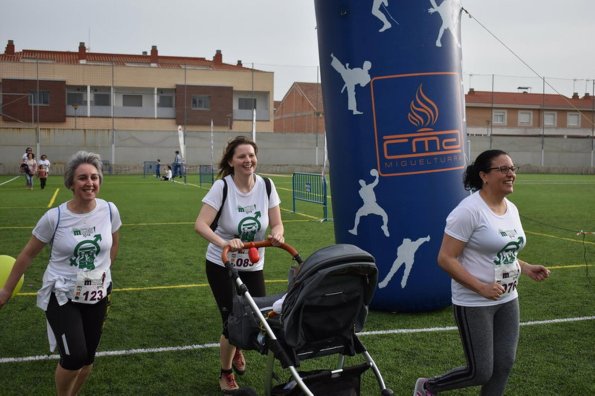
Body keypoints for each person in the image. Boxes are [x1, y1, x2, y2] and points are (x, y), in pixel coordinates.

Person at [413, 149, 550, 396]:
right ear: (484, 176)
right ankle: (428, 387)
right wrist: (481, 287)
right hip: (474, 301)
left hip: (508, 298)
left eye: (512, 168)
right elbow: (445, 258)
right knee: (480, 371)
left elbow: (503, 251)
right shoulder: (468, 211)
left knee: (504, 364)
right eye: (503, 169)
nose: (511, 174)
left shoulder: (512, 209)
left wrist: (526, 268)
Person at [0, 151, 121, 396]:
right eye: (83, 178)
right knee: (74, 356)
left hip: (97, 292)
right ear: (71, 183)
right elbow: (27, 255)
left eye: (94, 177)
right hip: (62, 293)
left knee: (87, 359)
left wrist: (103, 271)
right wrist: (5, 290)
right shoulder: (54, 217)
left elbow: (114, 243)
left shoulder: (109, 210)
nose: (90, 183)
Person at [194, 136, 284, 393]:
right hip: (222, 264)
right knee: (232, 321)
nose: (248, 160)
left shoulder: (266, 186)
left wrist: (278, 234)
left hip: (253, 265)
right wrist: (223, 242)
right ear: (231, 161)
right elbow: (200, 224)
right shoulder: (222, 187)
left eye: (251, 155)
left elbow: (276, 223)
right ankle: (226, 373)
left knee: (255, 317)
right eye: (242, 156)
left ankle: (234, 350)